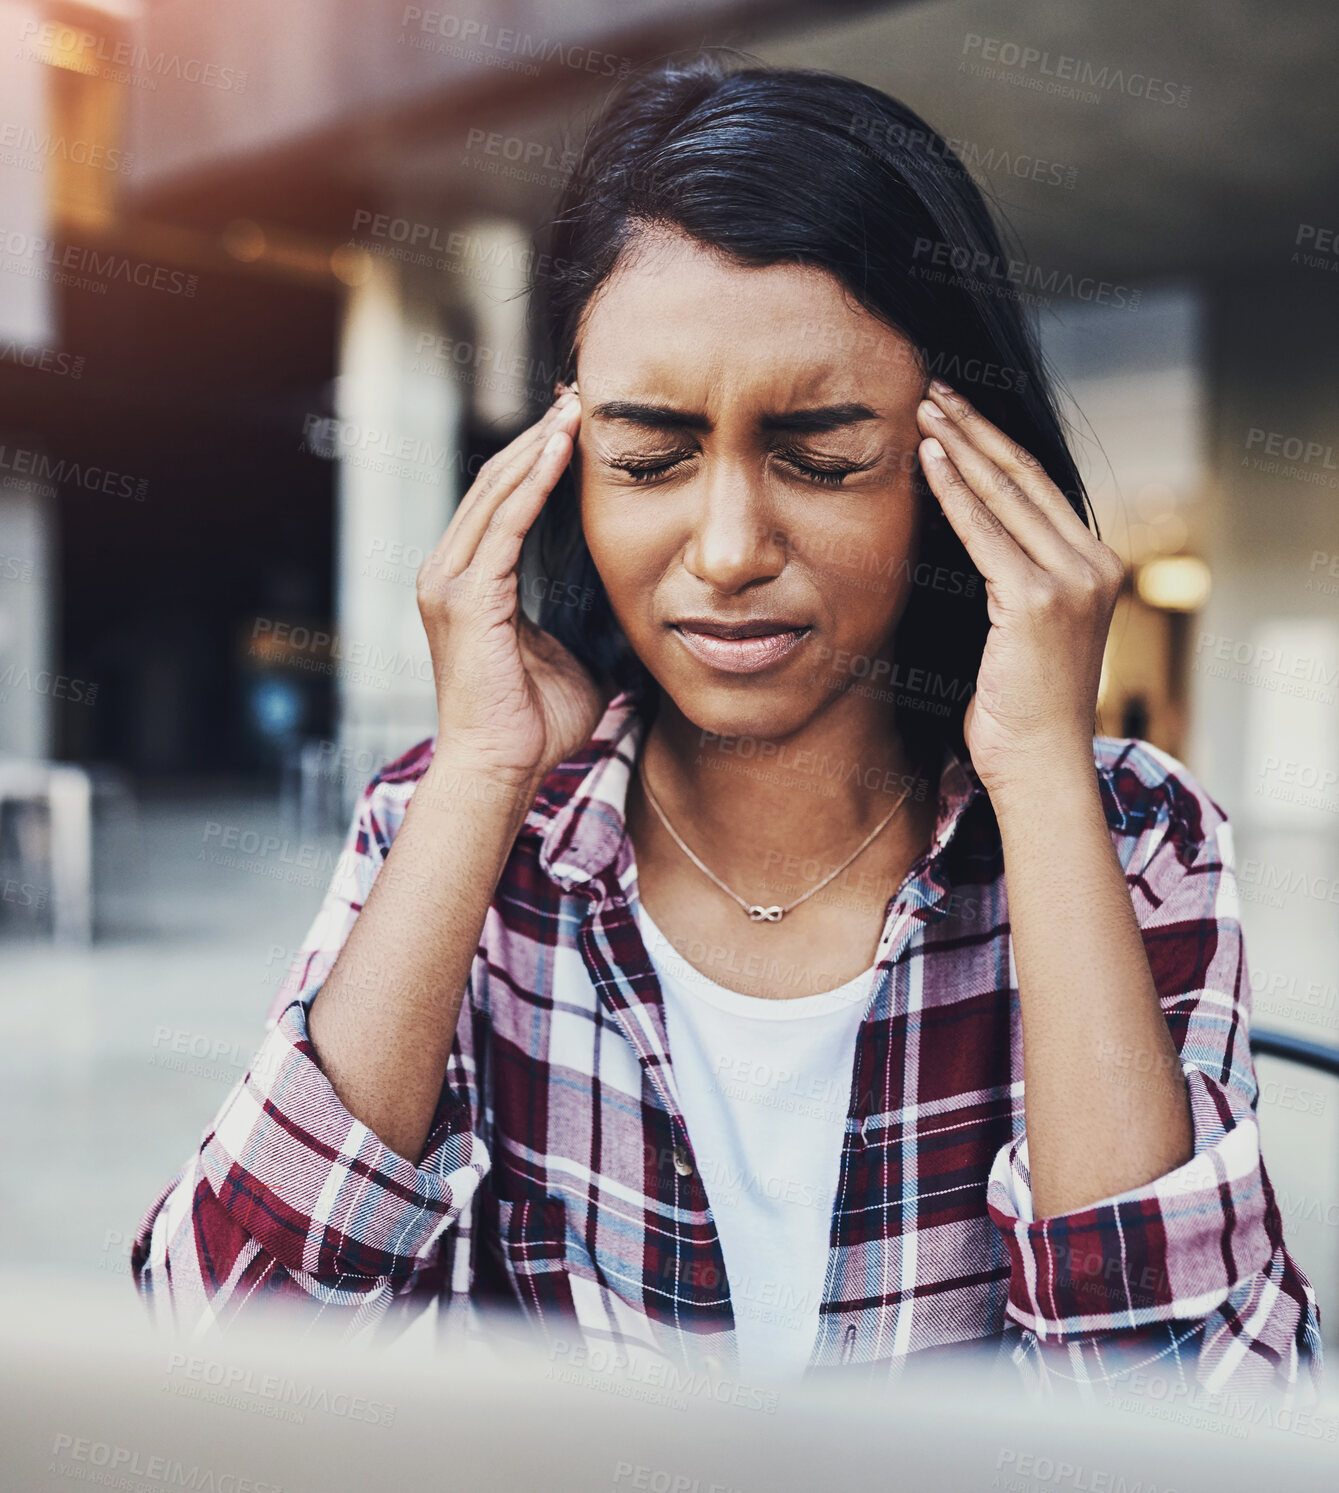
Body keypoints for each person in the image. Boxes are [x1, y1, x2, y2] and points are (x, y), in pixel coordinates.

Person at [133, 54, 1321, 1397]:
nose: (730, 546)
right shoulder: (453, 826)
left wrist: (1043, 773)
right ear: (559, 469)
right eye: (648, 459)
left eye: (822, 454)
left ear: (959, 465)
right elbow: (218, 1354)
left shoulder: (1135, 841)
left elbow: (1202, 1430)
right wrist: (477, 776)